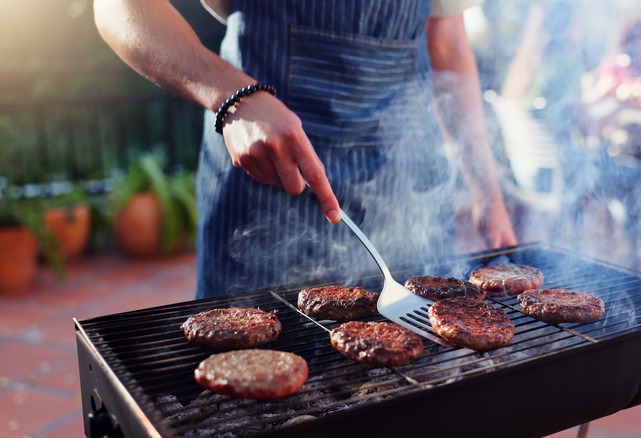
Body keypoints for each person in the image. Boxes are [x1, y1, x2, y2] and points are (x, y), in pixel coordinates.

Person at [93, 0, 518, 298]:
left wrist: (488, 195)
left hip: (403, 189)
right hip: (263, 191)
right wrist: (232, 96)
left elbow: (449, 42)